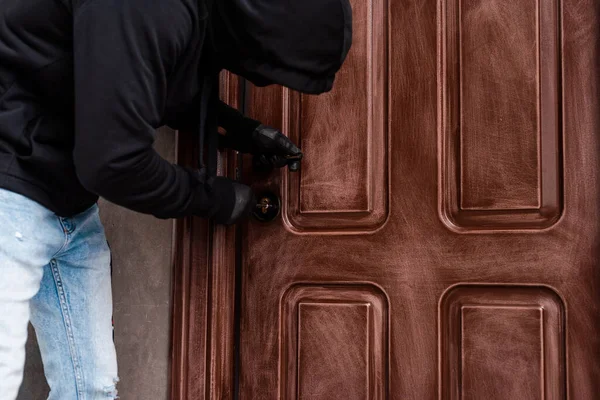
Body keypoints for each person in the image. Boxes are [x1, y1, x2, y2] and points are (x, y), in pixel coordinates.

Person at [0, 0, 352, 398]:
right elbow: (114, 163)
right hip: (10, 194)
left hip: (67, 206)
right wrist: (212, 198)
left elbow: (143, 82)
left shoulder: (183, 14)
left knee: (91, 390)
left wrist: (242, 132)